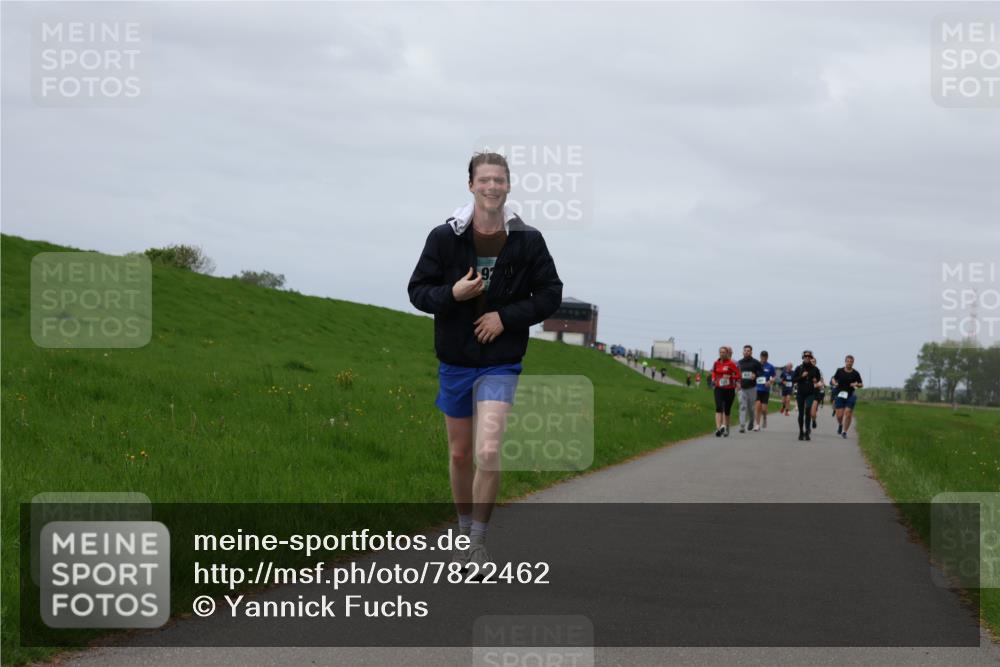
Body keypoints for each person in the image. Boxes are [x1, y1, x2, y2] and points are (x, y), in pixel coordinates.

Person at [408, 151, 562, 570]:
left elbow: (551, 293)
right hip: (456, 359)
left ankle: (478, 542)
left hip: (501, 360)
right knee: (460, 454)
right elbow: (417, 290)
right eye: (485, 180)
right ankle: (461, 531)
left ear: (508, 186)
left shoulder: (527, 239)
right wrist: (452, 295)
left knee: (488, 449)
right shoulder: (444, 237)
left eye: (500, 180)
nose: (492, 186)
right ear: (471, 185)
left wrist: (504, 318)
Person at [791, 350, 823, 441]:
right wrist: (802, 376)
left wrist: (815, 381)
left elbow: (818, 379)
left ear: (811, 358)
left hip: (810, 393)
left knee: (808, 410)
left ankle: (807, 432)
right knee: (801, 414)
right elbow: (793, 380)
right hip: (801, 393)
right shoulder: (799, 368)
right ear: (803, 358)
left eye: (809, 357)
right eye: (806, 357)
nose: (807, 358)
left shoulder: (815, 369)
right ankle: (801, 431)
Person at [831, 355, 864, 438]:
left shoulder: (855, 373)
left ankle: (845, 432)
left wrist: (856, 384)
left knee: (848, 413)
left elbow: (861, 384)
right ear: (845, 362)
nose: (849, 363)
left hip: (850, 395)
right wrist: (834, 383)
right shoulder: (840, 371)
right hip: (840, 394)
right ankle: (840, 424)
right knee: (839, 416)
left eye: (851, 361)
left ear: (853, 363)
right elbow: (833, 379)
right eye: (848, 361)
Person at [711, 346, 740, 437]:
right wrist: (713, 379)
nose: (722, 354)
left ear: (727, 353)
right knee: (719, 407)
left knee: (727, 410)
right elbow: (714, 372)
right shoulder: (716, 363)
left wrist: (730, 377)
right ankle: (718, 428)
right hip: (719, 388)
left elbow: (739, 375)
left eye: (724, 352)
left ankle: (726, 428)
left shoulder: (731, 364)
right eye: (720, 352)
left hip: (729, 389)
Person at [736, 345, 763, 433]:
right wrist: (737, 383)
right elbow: (736, 374)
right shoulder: (739, 363)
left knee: (751, 408)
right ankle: (742, 426)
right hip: (742, 388)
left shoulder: (755, 362)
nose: (746, 352)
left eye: (748, 351)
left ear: (751, 352)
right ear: (743, 352)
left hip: (752, 388)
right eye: (745, 350)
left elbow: (761, 372)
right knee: (742, 406)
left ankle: (751, 420)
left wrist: (756, 375)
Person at [753, 350, 776, 431]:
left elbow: (774, 377)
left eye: (765, 357)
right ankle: (757, 425)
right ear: (760, 357)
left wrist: (770, 381)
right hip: (757, 389)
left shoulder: (770, 366)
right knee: (757, 407)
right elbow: (753, 375)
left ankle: (765, 418)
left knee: (764, 409)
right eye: (762, 356)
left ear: (767, 357)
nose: (763, 358)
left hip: (765, 390)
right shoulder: (756, 365)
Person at [811, 361, 826, 429]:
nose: (812, 363)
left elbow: (822, 382)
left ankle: (813, 420)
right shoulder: (804, 370)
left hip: (815, 393)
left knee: (813, 412)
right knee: (807, 410)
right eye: (811, 361)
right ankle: (807, 426)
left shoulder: (819, 371)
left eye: (814, 362)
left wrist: (817, 384)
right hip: (806, 393)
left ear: (816, 363)